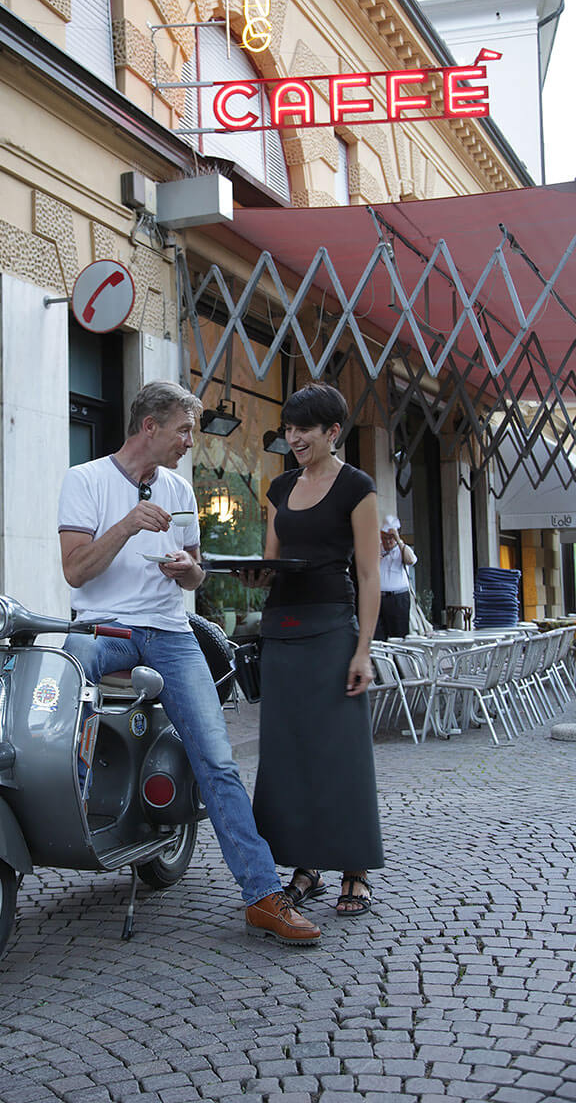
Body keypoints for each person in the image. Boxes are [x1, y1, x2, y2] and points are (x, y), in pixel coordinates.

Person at [57, 380, 322, 946]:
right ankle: (62, 808)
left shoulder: (180, 489)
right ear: (148, 427)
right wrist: (127, 524)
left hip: (171, 632)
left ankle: (261, 896)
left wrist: (188, 571)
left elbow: (197, 574)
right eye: (183, 430)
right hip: (105, 629)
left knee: (218, 760)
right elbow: (76, 572)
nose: (189, 443)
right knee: (64, 664)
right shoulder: (85, 480)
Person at [242, 383, 384, 918]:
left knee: (339, 751)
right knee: (288, 751)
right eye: (291, 427)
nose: (295, 437)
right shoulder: (279, 487)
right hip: (282, 628)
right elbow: (272, 563)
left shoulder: (358, 487)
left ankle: (354, 869)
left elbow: (368, 575)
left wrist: (363, 650)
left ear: (333, 433)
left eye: (306, 429)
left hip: (332, 629)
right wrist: (255, 576)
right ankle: (305, 866)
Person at [374, 514, 417, 640]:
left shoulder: (402, 549)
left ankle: (398, 659)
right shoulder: (377, 549)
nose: (387, 541)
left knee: (399, 635)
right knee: (378, 635)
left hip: (398, 598)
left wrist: (399, 540)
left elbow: (411, 560)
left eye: (391, 538)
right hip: (379, 597)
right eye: (385, 537)